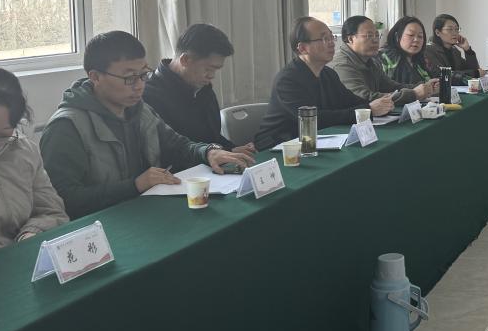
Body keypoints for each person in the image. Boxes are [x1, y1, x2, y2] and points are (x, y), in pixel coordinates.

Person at [39, 31, 255, 219]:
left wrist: (208, 152)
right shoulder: (66, 127)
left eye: (143, 75)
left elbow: (178, 146)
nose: (140, 86)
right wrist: (135, 185)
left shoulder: (139, 109)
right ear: (95, 76)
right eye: (129, 78)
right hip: (103, 225)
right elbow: (65, 200)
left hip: (146, 212)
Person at [255, 17, 394, 150]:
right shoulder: (287, 80)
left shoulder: (328, 73)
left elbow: (350, 101)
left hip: (316, 141)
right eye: (324, 39)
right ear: (303, 48)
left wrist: (379, 105)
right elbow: (314, 119)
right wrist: (368, 110)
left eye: (331, 37)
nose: (332, 43)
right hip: (280, 145)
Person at [0, 66, 68, 252]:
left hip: (23, 254)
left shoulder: (24, 150)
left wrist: (32, 234)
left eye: (3, 135)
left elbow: (52, 211)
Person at [143, 22, 253, 154]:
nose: (212, 76)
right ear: (185, 60)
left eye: (216, 70)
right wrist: (220, 153)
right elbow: (170, 150)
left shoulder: (203, 88)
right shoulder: (149, 96)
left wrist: (231, 149)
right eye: (208, 69)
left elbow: (211, 137)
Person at [331, 15, 436, 105]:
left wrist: (425, 87)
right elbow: (364, 97)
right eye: (369, 36)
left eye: (377, 35)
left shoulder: (371, 61)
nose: (375, 40)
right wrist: (413, 94)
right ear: (350, 39)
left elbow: (391, 86)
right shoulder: (343, 64)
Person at [380, 16, 440, 94]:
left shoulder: (421, 60)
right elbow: (384, 88)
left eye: (420, 36)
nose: (416, 40)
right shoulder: (384, 57)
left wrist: (434, 86)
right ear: (397, 36)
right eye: (411, 35)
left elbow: (429, 83)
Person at [425, 13, 481, 81]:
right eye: (450, 29)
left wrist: (468, 50)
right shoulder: (428, 51)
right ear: (437, 32)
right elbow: (443, 75)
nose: (455, 33)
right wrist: (474, 73)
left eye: (457, 29)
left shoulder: (455, 51)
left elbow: (474, 71)